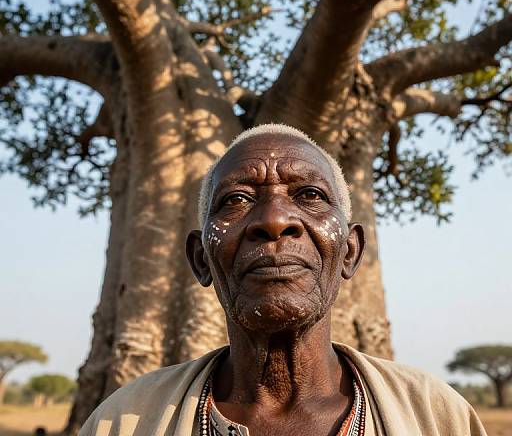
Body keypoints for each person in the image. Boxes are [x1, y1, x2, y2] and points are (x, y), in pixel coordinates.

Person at [79, 124, 487, 436]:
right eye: (236, 200)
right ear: (201, 259)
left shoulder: (435, 416)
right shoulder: (123, 421)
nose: (274, 221)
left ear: (349, 250)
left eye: (309, 194)